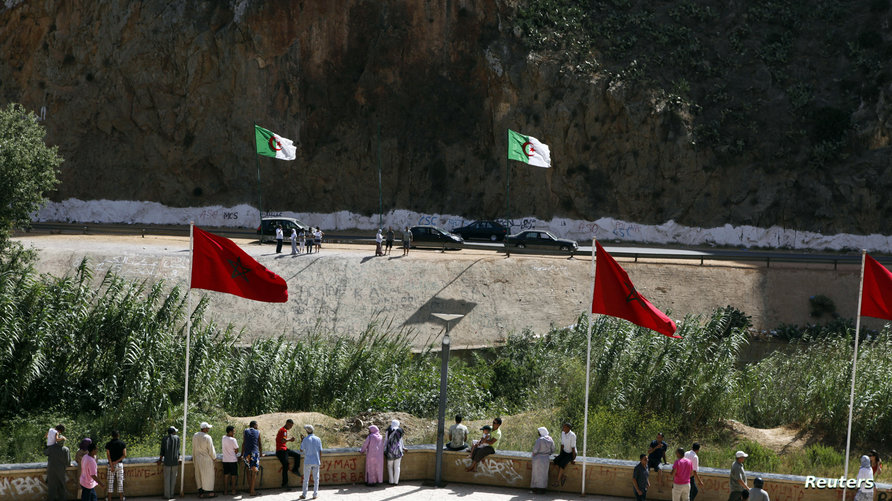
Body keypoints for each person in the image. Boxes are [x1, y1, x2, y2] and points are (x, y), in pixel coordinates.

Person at [193, 422, 217, 498]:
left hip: (197, 459)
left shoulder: (195, 435)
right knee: (209, 476)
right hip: (206, 459)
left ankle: (201, 493)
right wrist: (214, 458)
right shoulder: (207, 437)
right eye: (208, 428)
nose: (209, 429)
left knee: (199, 475)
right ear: (204, 428)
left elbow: (193, 448)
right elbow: (211, 450)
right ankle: (210, 492)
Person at [276, 419, 302, 489]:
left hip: (284, 449)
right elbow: (282, 440)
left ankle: (295, 469)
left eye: (291, 426)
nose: (290, 427)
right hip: (281, 451)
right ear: (287, 423)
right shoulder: (284, 430)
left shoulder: (283, 430)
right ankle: (285, 484)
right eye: (290, 425)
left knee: (297, 455)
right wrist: (290, 440)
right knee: (286, 466)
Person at [157, 426, 180, 501]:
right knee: (173, 479)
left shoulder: (164, 439)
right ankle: (172, 494)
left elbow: (162, 451)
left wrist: (160, 460)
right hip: (175, 461)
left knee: (167, 479)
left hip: (167, 462)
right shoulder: (177, 438)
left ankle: (167, 495)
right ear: (173, 432)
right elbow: (178, 450)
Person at [45, 435, 71, 501]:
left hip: (51, 470)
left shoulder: (51, 448)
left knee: (51, 487)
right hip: (61, 471)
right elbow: (68, 462)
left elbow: (45, 453)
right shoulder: (66, 449)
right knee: (62, 486)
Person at [300, 424, 322, 499]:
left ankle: (304, 494)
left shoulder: (305, 439)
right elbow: (320, 451)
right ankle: (315, 494)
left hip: (308, 461)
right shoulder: (318, 439)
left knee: (306, 479)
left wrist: (302, 440)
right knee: (316, 479)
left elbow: (301, 449)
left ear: (307, 431)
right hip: (316, 460)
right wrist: (320, 460)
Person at [530, 427, 554, 494]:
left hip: (538, 458)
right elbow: (553, 449)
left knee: (536, 474)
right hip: (546, 458)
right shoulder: (550, 439)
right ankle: (543, 489)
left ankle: (535, 488)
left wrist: (533, 455)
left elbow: (535, 450)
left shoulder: (539, 440)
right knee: (544, 474)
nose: (538, 433)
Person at [105, 430, 126, 501]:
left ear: (112, 436)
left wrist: (111, 464)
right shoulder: (122, 444)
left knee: (110, 482)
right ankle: (121, 498)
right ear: (118, 435)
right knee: (120, 481)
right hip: (119, 465)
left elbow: (108, 455)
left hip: (110, 465)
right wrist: (117, 461)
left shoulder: (108, 444)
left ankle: (109, 498)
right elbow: (124, 455)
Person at [242, 420, 263, 496]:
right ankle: (252, 491)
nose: (257, 426)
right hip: (254, 453)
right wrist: (261, 453)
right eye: (257, 425)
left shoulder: (245, 431)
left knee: (248, 470)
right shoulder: (258, 432)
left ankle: (250, 488)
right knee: (254, 472)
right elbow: (259, 443)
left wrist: (242, 454)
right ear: (254, 425)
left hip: (246, 454)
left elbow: (243, 443)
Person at [554, 422, 577, 486]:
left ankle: (557, 481)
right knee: (555, 462)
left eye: (564, 427)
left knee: (562, 465)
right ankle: (563, 476)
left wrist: (573, 458)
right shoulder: (563, 433)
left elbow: (573, 448)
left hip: (571, 453)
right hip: (564, 452)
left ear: (568, 428)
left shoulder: (572, 435)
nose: (563, 428)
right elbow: (562, 445)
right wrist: (560, 454)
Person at [385, 419, 406, 484]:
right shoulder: (400, 431)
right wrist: (403, 447)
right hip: (398, 451)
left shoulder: (388, 431)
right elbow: (401, 441)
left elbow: (386, 440)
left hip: (390, 451)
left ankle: (391, 481)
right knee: (397, 467)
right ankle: (396, 482)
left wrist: (384, 449)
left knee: (389, 466)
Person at [222, 425, 240, 495]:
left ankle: (225, 491)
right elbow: (236, 450)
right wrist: (233, 438)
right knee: (233, 476)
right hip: (232, 460)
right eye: (233, 432)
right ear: (230, 432)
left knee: (226, 475)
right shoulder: (233, 440)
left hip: (225, 460)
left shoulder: (223, 438)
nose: (234, 433)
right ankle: (233, 490)